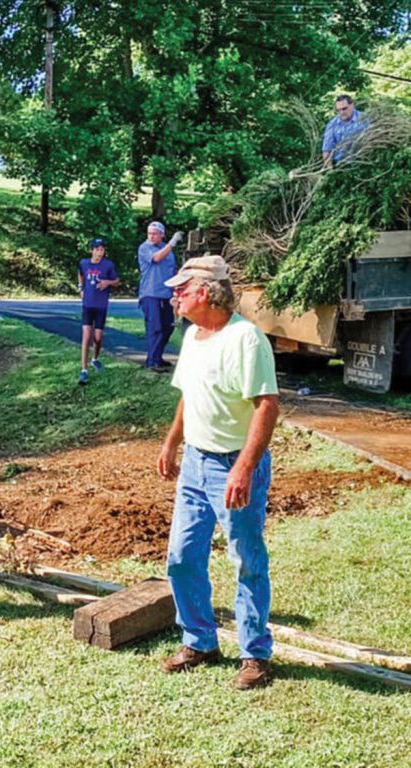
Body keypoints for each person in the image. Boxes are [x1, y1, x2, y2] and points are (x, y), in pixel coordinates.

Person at [156, 255, 280, 691]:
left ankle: (255, 654)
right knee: (182, 557)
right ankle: (200, 640)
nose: (174, 296)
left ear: (206, 292)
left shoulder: (246, 339)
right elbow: (190, 394)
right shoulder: (193, 336)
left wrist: (244, 468)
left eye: (181, 289)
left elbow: (267, 405)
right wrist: (172, 441)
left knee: (246, 559)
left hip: (233, 465)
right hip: (195, 461)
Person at [138, 222, 183, 372]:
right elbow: (156, 258)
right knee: (155, 327)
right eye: (149, 233)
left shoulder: (168, 251)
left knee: (168, 327)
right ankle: (152, 361)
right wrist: (172, 243)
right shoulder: (145, 248)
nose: (151, 236)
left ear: (161, 234)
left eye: (155, 233)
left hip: (166, 294)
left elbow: (173, 271)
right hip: (151, 294)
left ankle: (157, 357)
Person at [76, 238, 120, 385]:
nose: (100, 252)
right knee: (86, 336)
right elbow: (80, 274)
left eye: (102, 249)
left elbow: (117, 280)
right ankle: (84, 370)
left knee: (98, 338)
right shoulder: (84, 263)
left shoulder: (108, 265)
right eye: (97, 249)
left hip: (101, 306)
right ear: (92, 250)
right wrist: (80, 288)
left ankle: (95, 359)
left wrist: (107, 282)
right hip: (88, 305)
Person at [322, 94, 368, 169]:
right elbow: (327, 149)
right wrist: (330, 171)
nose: (341, 112)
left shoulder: (365, 119)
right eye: (338, 110)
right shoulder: (332, 125)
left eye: (344, 109)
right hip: (341, 165)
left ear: (352, 105)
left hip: (364, 163)